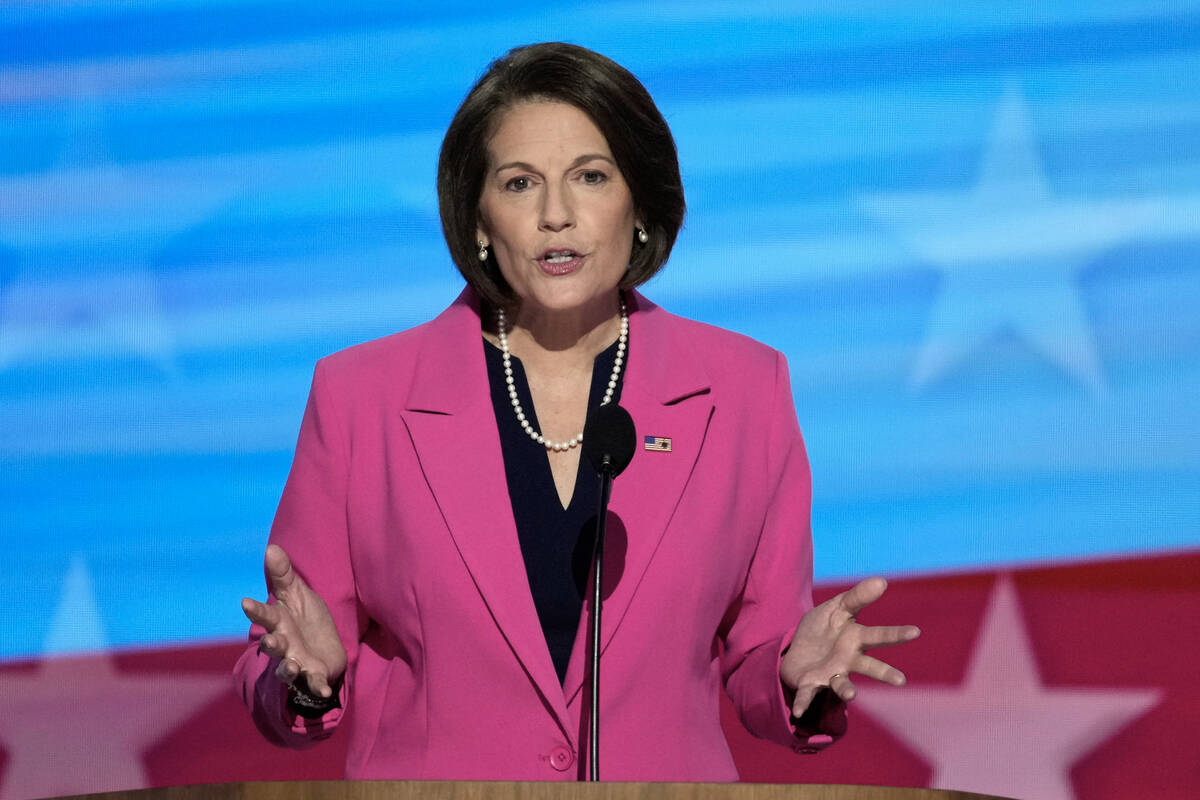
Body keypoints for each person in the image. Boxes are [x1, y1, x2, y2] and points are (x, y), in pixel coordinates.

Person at [233, 41, 919, 782]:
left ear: (642, 205)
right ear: (478, 221)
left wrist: (791, 676)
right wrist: (302, 681)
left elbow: (758, 651)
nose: (556, 215)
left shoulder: (744, 390)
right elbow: (287, 660)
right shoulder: (361, 398)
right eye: (520, 183)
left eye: (590, 177)